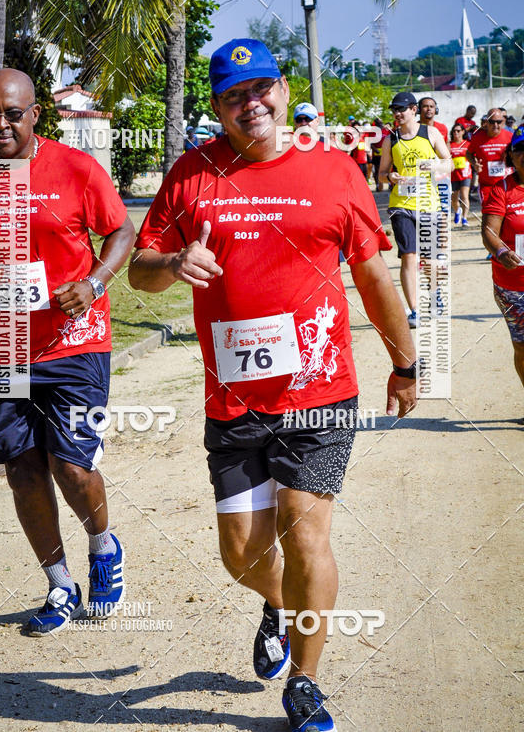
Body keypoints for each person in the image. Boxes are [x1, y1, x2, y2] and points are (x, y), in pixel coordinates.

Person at [128, 38, 417, 732]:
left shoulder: (335, 171)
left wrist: (406, 360)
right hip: (232, 397)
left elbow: (374, 275)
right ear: (218, 107)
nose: (249, 103)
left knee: (304, 529)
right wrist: (173, 259)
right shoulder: (192, 173)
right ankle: (279, 606)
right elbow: (140, 268)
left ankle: (306, 682)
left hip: (319, 389)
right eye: (233, 95)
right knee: (241, 553)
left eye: (260, 88)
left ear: (282, 90)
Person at [0, 68, 135, 635]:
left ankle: (102, 543)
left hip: (76, 345)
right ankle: (60, 583)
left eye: (12, 114)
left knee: (71, 463)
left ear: (35, 114)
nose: (0, 125)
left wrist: (93, 283)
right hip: (9, 353)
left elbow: (121, 233)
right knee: (21, 470)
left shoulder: (75, 169)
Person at [379, 91, 452, 328]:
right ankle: (414, 310)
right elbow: (380, 174)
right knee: (408, 256)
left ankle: (434, 294)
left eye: (401, 109)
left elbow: (448, 163)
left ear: (413, 110)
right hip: (401, 205)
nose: (396, 114)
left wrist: (433, 165)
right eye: (394, 110)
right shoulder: (391, 139)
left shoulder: (430, 133)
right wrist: (390, 176)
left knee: (429, 259)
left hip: (428, 204)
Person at [481, 129, 524, 389]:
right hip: (513, 286)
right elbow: (488, 232)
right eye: (520, 149)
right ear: (510, 155)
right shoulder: (502, 189)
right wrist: (501, 251)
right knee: (522, 346)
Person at [466, 108, 512, 207]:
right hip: (486, 185)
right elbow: (468, 153)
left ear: (503, 122)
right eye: (492, 122)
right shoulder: (477, 137)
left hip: (507, 184)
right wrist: (474, 164)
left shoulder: (510, 137)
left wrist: (509, 158)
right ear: (487, 122)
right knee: (489, 215)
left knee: (507, 215)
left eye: (498, 122)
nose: (495, 125)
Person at [449, 123, 472, 226]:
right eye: (454, 131)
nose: (456, 133)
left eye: (458, 131)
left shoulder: (468, 144)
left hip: (465, 174)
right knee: (454, 199)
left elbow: (472, 157)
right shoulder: (449, 145)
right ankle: (457, 210)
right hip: (453, 175)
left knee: (464, 196)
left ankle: (464, 218)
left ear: (463, 132)